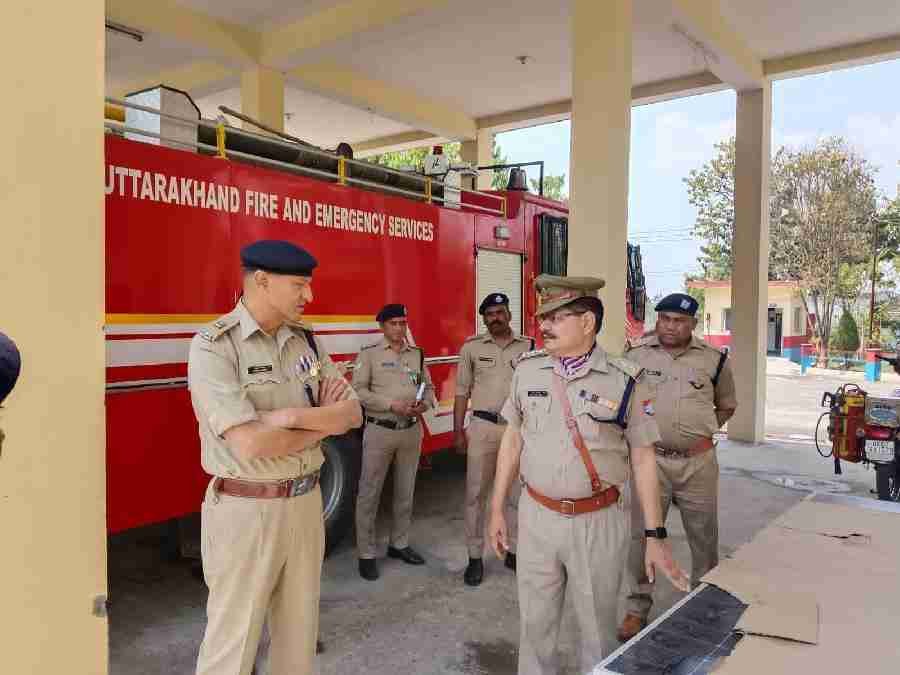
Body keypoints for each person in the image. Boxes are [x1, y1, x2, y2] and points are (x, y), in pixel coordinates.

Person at [488, 274, 689, 674]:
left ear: (587, 322)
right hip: (537, 517)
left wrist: (655, 535)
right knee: (535, 627)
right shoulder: (527, 370)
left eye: (557, 317)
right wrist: (496, 510)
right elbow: (512, 440)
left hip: (598, 522)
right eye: (543, 317)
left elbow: (643, 457)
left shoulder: (625, 380)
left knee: (596, 631)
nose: (544, 325)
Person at [189, 239, 361, 675]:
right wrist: (324, 423)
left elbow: (353, 413)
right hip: (247, 510)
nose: (310, 296)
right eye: (299, 285)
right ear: (262, 281)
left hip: (306, 505)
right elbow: (249, 443)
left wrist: (288, 417)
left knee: (297, 644)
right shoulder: (215, 346)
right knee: (232, 649)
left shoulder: (305, 342)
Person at [618, 292, 737, 642]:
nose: (671, 326)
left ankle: (702, 606)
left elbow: (726, 405)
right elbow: (621, 402)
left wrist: (696, 432)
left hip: (698, 464)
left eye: (680, 321)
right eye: (665, 319)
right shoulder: (635, 355)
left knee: (704, 537)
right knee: (642, 535)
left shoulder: (714, 360)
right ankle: (636, 607)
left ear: (693, 324)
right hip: (651, 462)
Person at [454, 293, 534, 586]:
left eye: (500, 312)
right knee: (475, 494)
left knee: (516, 493)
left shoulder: (529, 347)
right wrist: (457, 431)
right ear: (484, 319)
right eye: (490, 314)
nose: (495, 317)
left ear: (509, 314)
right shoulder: (472, 348)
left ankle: (513, 549)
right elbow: (461, 391)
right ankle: (475, 556)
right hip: (483, 428)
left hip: (517, 429)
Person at [353, 303, 435, 581]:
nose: (399, 328)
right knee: (369, 493)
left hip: (411, 431)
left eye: (403, 323)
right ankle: (366, 553)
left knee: (405, 491)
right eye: (393, 323)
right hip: (380, 431)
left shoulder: (417, 354)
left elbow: (428, 388)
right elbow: (358, 391)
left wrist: (423, 405)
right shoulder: (370, 354)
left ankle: (399, 544)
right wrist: (391, 404)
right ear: (382, 326)